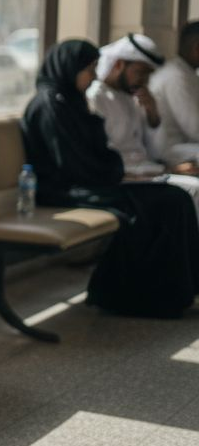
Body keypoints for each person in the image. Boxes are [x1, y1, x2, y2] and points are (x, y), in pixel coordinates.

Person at [22, 39, 199, 317]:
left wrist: (114, 169)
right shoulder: (50, 105)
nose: (93, 76)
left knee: (175, 199)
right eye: (89, 69)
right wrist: (116, 172)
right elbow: (71, 163)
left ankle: (175, 292)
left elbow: (97, 152)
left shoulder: (69, 101)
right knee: (157, 204)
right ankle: (126, 295)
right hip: (65, 189)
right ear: (71, 68)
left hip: (93, 180)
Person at [87, 33, 199, 214]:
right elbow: (107, 158)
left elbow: (152, 150)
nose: (144, 82)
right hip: (126, 177)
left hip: (147, 170)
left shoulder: (131, 99)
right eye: (140, 73)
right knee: (194, 190)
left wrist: (152, 113)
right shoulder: (95, 98)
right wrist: (165, 169)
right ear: (118, 64)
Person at [146, 20, 199, 170]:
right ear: (197, 48)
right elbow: (195, 129)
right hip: (171, 150)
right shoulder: (176, 77)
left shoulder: (187, 74)